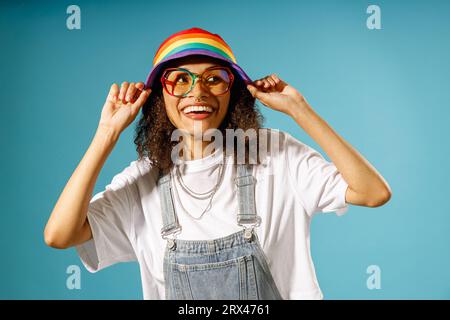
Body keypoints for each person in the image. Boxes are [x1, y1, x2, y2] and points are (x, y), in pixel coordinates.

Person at [44, 27, 392, 300]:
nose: (197, 92)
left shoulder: (277, 156)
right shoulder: (142, 183)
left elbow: (373, 192)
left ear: (233, 91)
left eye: (214, 78)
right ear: (158, 96)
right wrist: (106, 134)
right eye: (180, 79)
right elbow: (60, 235)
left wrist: (299, 109)